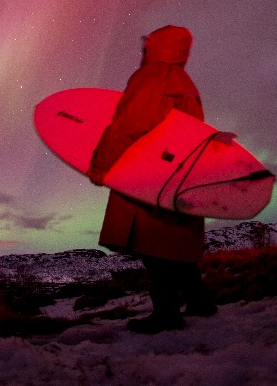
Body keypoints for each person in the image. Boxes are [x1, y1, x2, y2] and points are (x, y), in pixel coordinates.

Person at [88, 25, 217, 334]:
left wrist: (100, 165)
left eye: (146, 47)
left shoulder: (152, 76)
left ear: (155, 48)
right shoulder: (183, 80)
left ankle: (167, 315)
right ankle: (199, 301)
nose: (142, 51)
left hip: (148, 176)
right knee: (173, 242)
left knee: (153, 247)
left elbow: (130, 125)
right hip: (178, 174)